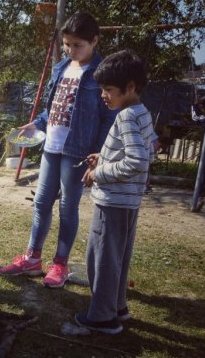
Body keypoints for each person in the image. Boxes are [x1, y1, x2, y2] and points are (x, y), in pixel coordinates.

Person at [0, 12, 118, 288]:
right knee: (41, 202)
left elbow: (108, 117)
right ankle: (32, 259)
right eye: (67, 44)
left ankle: (60, 264)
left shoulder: (101, 73)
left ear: (94, 41)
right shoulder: (61, 67)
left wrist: (98, 155)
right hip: (51, 146)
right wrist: (35, 124)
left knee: (68, 207)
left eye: (78, 45)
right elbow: (53, 109)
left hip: (78, 152)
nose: (71, 50)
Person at [76, 50, 155, 334]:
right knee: (117, 257)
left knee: (101, 258)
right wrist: (106, 158)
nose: (103, 95)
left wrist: (99, 173)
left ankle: (102, 317)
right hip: (128, 202)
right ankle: (117, 307)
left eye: (108, 90)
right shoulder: (141, 112)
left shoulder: (126, 118)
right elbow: (146, 152)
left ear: (130, 87)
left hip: (113, 202)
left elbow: (136, 161)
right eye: (101, 89)